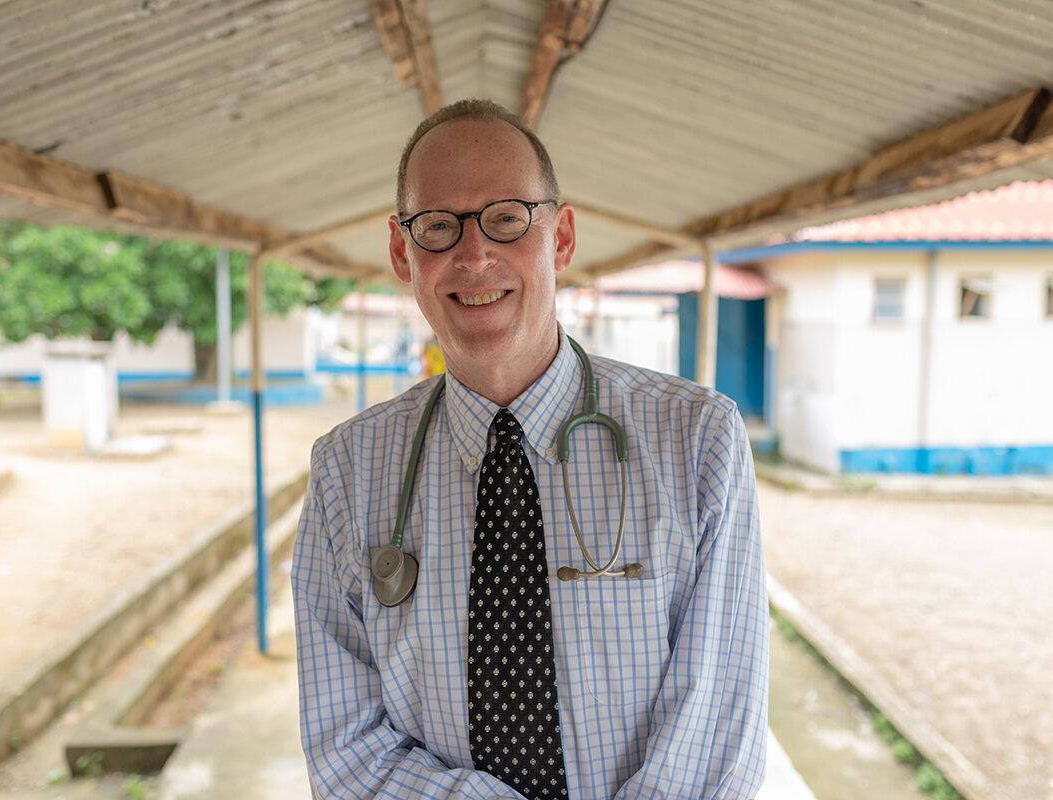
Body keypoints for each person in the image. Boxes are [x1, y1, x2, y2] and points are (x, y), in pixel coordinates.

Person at [291, 98, 769, 799]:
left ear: (562, 237)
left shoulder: (696, 442)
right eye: (437, 226)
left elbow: (716, 728)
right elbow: (345, 748)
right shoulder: (348, 472)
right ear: (403, 251)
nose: (474, 253)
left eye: (508, 218)